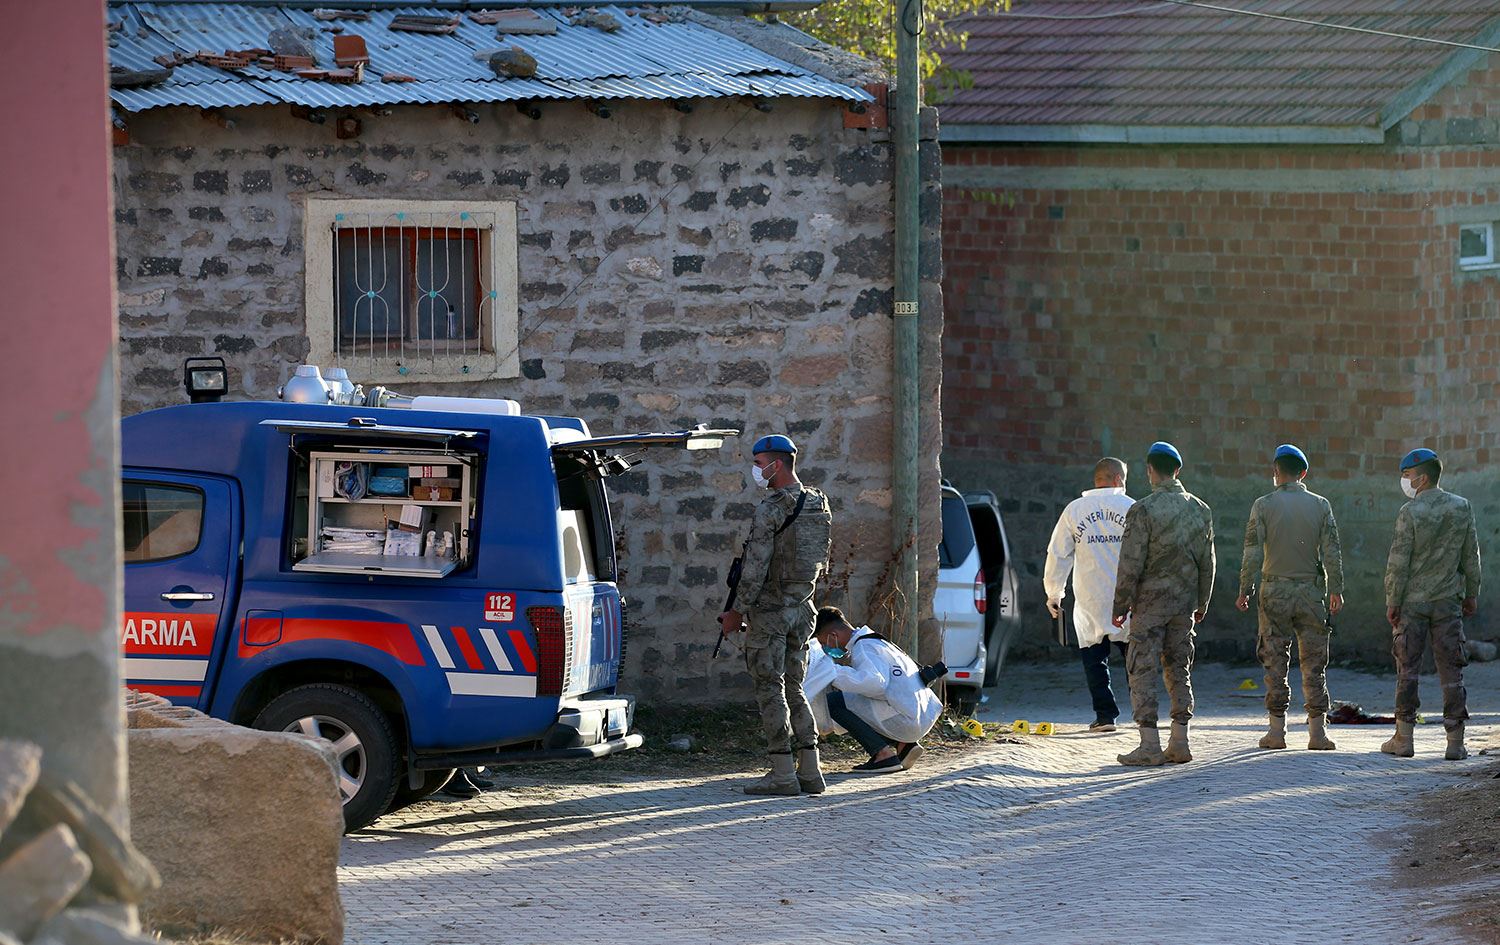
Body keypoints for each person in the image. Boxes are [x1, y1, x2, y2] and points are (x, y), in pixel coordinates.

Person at [719, 434, 833, 795]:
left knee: (771, 690)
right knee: (796, 688)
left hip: (770, 612)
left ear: (776, 464)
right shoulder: (819, 502)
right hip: (803, 609)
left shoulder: (771, 508)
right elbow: (822, 561)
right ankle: (811, 772)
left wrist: (737, 612)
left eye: (758, 463)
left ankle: (783, 773)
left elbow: (754, 568)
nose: (755, 470)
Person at [1111, 441, 1214, 767]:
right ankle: (1179, 742)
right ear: (1177, 471)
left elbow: (1130, 563)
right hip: (1184, 605)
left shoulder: (1143, 510)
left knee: (1142, 668)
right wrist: (1203, 601)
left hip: (1150, 605)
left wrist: (1120, 604)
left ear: (1150, 471)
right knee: (1179, 668)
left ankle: (1149, 745)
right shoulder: (1200, 509)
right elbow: (1208, 562)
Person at [1236, 444, 1344, 751]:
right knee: (1314, 663)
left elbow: (1252, 552)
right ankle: (1317, 733)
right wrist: (1336, 589)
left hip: (1274, 591)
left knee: (1274, 660)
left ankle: (1277, 732)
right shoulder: (1321, 505)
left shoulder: (1263, 504)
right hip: (1311, 591)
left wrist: (1245, 588)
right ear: (1304, 474)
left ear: (1275, 472)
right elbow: (1332, 551)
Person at [1381, 448, 1481, 761]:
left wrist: (1392, 601)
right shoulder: (1461, 507)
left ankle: (1405, 738)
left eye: (1408, 475)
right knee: (1452, 671)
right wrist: (1471, 593)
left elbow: (1398, 561)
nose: (1405, 481)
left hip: (1412, 603)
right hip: (1448, 602)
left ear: (1422, 478)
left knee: (1407, 670)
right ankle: (1455, 742)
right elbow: (1470, 556)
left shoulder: (1409, 512)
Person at [1044, 457, 1135, 732]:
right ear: (1119, 479)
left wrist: (1054, 593)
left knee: (1094, 659)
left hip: (1089, 597)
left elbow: (1058, 553)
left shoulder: (1075, 510)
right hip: (1126, 597)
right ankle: (1144, 712)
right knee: (1134, 658)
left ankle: (1105, 716)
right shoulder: (1132, 507)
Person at [809, 607, 943, 774]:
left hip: (907, 721)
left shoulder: (864, 647)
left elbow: (875, 684)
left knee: (834, 702)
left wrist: (832, 672)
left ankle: (882, 755)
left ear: (833, 636)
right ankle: (904, 746)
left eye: (823, 643)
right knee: (852, 700)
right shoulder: (876, 641)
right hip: (923, 715)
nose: (825, 648)